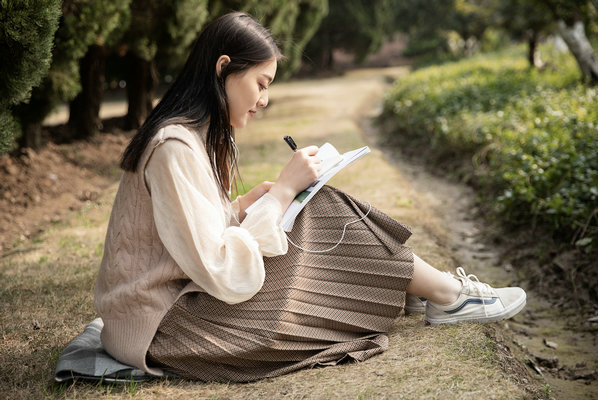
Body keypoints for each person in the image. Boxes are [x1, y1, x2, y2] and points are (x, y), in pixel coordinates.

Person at [94, 12, 526, 382]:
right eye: (261, 83)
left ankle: (430, 291)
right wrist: (281, 192)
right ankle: (444, 295)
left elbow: (188, 231)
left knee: (311, 203)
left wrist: (246, 205)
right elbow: (222, 270)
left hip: (178, 310)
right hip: (167, 329)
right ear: (224, 68)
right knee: (315, 208)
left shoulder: (191, 137)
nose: (263, 100)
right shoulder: (174, 145)